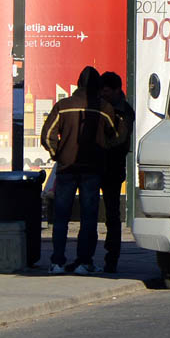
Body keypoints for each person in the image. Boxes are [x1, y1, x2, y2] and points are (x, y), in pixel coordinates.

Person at [40, 66, 118, 275]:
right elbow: (113, 134)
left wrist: (57, 153)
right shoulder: (104, 108)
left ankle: (57, 262)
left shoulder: (63, 106)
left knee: (61, 218)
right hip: (93, 169)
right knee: (89, 218)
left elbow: (47, 135)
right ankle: (85, 261)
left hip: (66, 168)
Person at [98, 71, 134, 273]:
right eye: (102, 91)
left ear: (116, 90)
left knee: (112, 215)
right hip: (97, 166)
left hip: (112, 167)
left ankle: (112, 257)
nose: (104, 94)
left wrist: (102, 145)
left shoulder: (124, 111)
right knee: (92, 212)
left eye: (107, 91)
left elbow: (120, 140)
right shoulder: (101, 107)